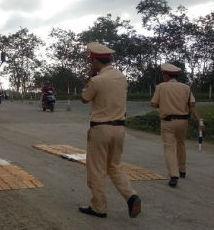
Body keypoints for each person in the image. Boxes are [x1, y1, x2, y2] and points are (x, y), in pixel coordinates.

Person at [80, 42, 141, 219]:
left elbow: (85, 98)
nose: (91, 64)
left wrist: (89, 78)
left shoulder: (97, 80)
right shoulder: (121, 77)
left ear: (95, 60)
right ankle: (132, 196)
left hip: (101, 129)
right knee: (114, 166)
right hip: (119, 129)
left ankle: (99, 207)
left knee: (97, 170)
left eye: (91, 61)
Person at [151, 63, 205, 187]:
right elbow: (192, 106)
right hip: (183, 121)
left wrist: (164, 105)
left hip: (167, 121)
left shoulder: (161, 87)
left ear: (167, 75)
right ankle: (182, 170)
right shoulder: (186, 88)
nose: (163, 76)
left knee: (169, 147)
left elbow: (154, 104)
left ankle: (174, 175)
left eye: (164, 74)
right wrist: (199, 122)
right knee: (181, 144)